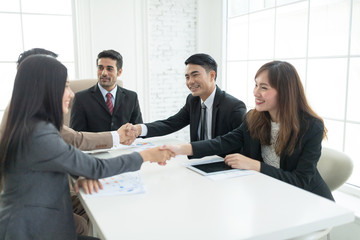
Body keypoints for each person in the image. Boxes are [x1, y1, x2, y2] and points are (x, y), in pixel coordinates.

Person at [0, 55, 172, 240]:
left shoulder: (27, 123)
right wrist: (146, 155)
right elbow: (96, 167)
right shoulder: (40, 133)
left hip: (27, 221)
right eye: (65, 86)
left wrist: (79, 172)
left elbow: (61, 159)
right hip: (32, 231)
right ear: (46, 88)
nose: (71, 93)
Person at [163, 61, 334, 201]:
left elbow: (301, 181)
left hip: (308, 200)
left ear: (285, 92)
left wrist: (255, 166)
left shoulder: (311, 126)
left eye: (264, 87)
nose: (256, 93)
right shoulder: (255, 117)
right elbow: (224, 141)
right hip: (269, 195)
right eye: (256, 85)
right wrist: (181, 149)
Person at [124, 53, 246, 146]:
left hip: (223, 166)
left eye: (195, 75)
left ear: (212, 75)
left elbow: (239, 144)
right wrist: (139, 129)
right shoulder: (193, 100)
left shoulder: (233, 107)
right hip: (197, 162)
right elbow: (171, 124)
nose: (190, 82)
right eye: (187, 77)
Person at [70, 49, 143, 132]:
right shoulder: (81, 99)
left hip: (125, 145)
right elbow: (76, 137)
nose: (104, 73)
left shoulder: (131, 97)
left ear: (119, 72)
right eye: (100, 68)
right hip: (95, 145)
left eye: (109, 69)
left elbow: (138, 132)